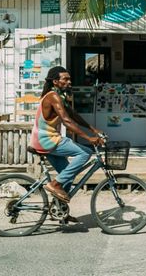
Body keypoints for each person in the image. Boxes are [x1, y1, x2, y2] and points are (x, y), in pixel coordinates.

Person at [29, 66, 104, 207]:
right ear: (56, 81)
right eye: (66, 79)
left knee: (67, 176)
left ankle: (59, 210)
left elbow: (73, 115)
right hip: (47, 140)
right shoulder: (52, 96)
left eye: (69, 79)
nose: (69, 82)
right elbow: (67, 120)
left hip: (45, 140)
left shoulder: (58, 95)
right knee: (86, 152)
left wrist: (92, 129)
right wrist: (88, 138)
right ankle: (54, 184)